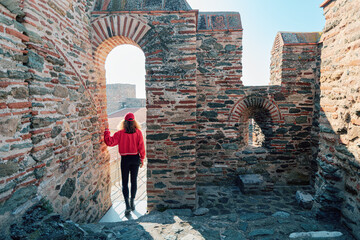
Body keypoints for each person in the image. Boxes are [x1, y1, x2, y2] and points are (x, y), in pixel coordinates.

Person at [104, 112, 145, 214]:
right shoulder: (138, 132)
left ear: (124, 122)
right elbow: (141, 147)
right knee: (134, 181)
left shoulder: (120, 133)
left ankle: (127, 205)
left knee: (125, 182)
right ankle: (132, 203)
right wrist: (142, 159)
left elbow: (109, 142)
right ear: (134, 122)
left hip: (125, 159)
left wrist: (106, 131)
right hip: (135, 158)